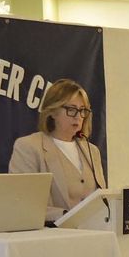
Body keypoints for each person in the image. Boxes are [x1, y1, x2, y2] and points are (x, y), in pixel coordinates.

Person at [9, 78, 107, 222]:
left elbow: (100, 198)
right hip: (49, 236)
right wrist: (66, 216)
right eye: (72, 110)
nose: (79, 117)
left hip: (91, 234)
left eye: (82, 110)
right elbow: (23, 204)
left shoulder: (92, 151)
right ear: (52, 112)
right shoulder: (28, 147)